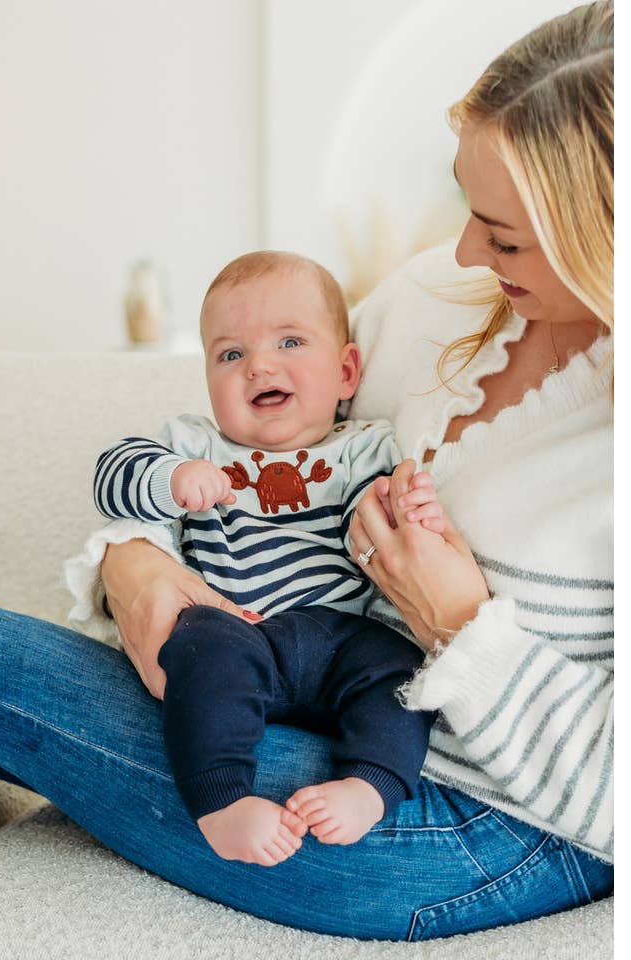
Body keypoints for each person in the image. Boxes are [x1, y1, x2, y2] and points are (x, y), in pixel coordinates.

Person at [0, 1, 613, 941]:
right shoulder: (427, 301)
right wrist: (132, 565)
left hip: (476, 821)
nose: (462, 254)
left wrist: (458, 624)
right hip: (286, 692)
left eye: (503, 237)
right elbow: (248, 453)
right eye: (467, 208)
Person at [92, 250, 440, 865]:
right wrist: (171, 479)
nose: (259, 365)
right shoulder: (196, 443)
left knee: (402, 670)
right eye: (231, 354)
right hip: (238, 631)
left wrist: (408, 506)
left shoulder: (364, 446)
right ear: (206, 377)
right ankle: (221, 801)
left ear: (346, 372)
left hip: (341, 637)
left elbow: (380, 514)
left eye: (289, 341)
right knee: (200, 645)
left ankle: (369, 786)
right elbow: (111, 473)